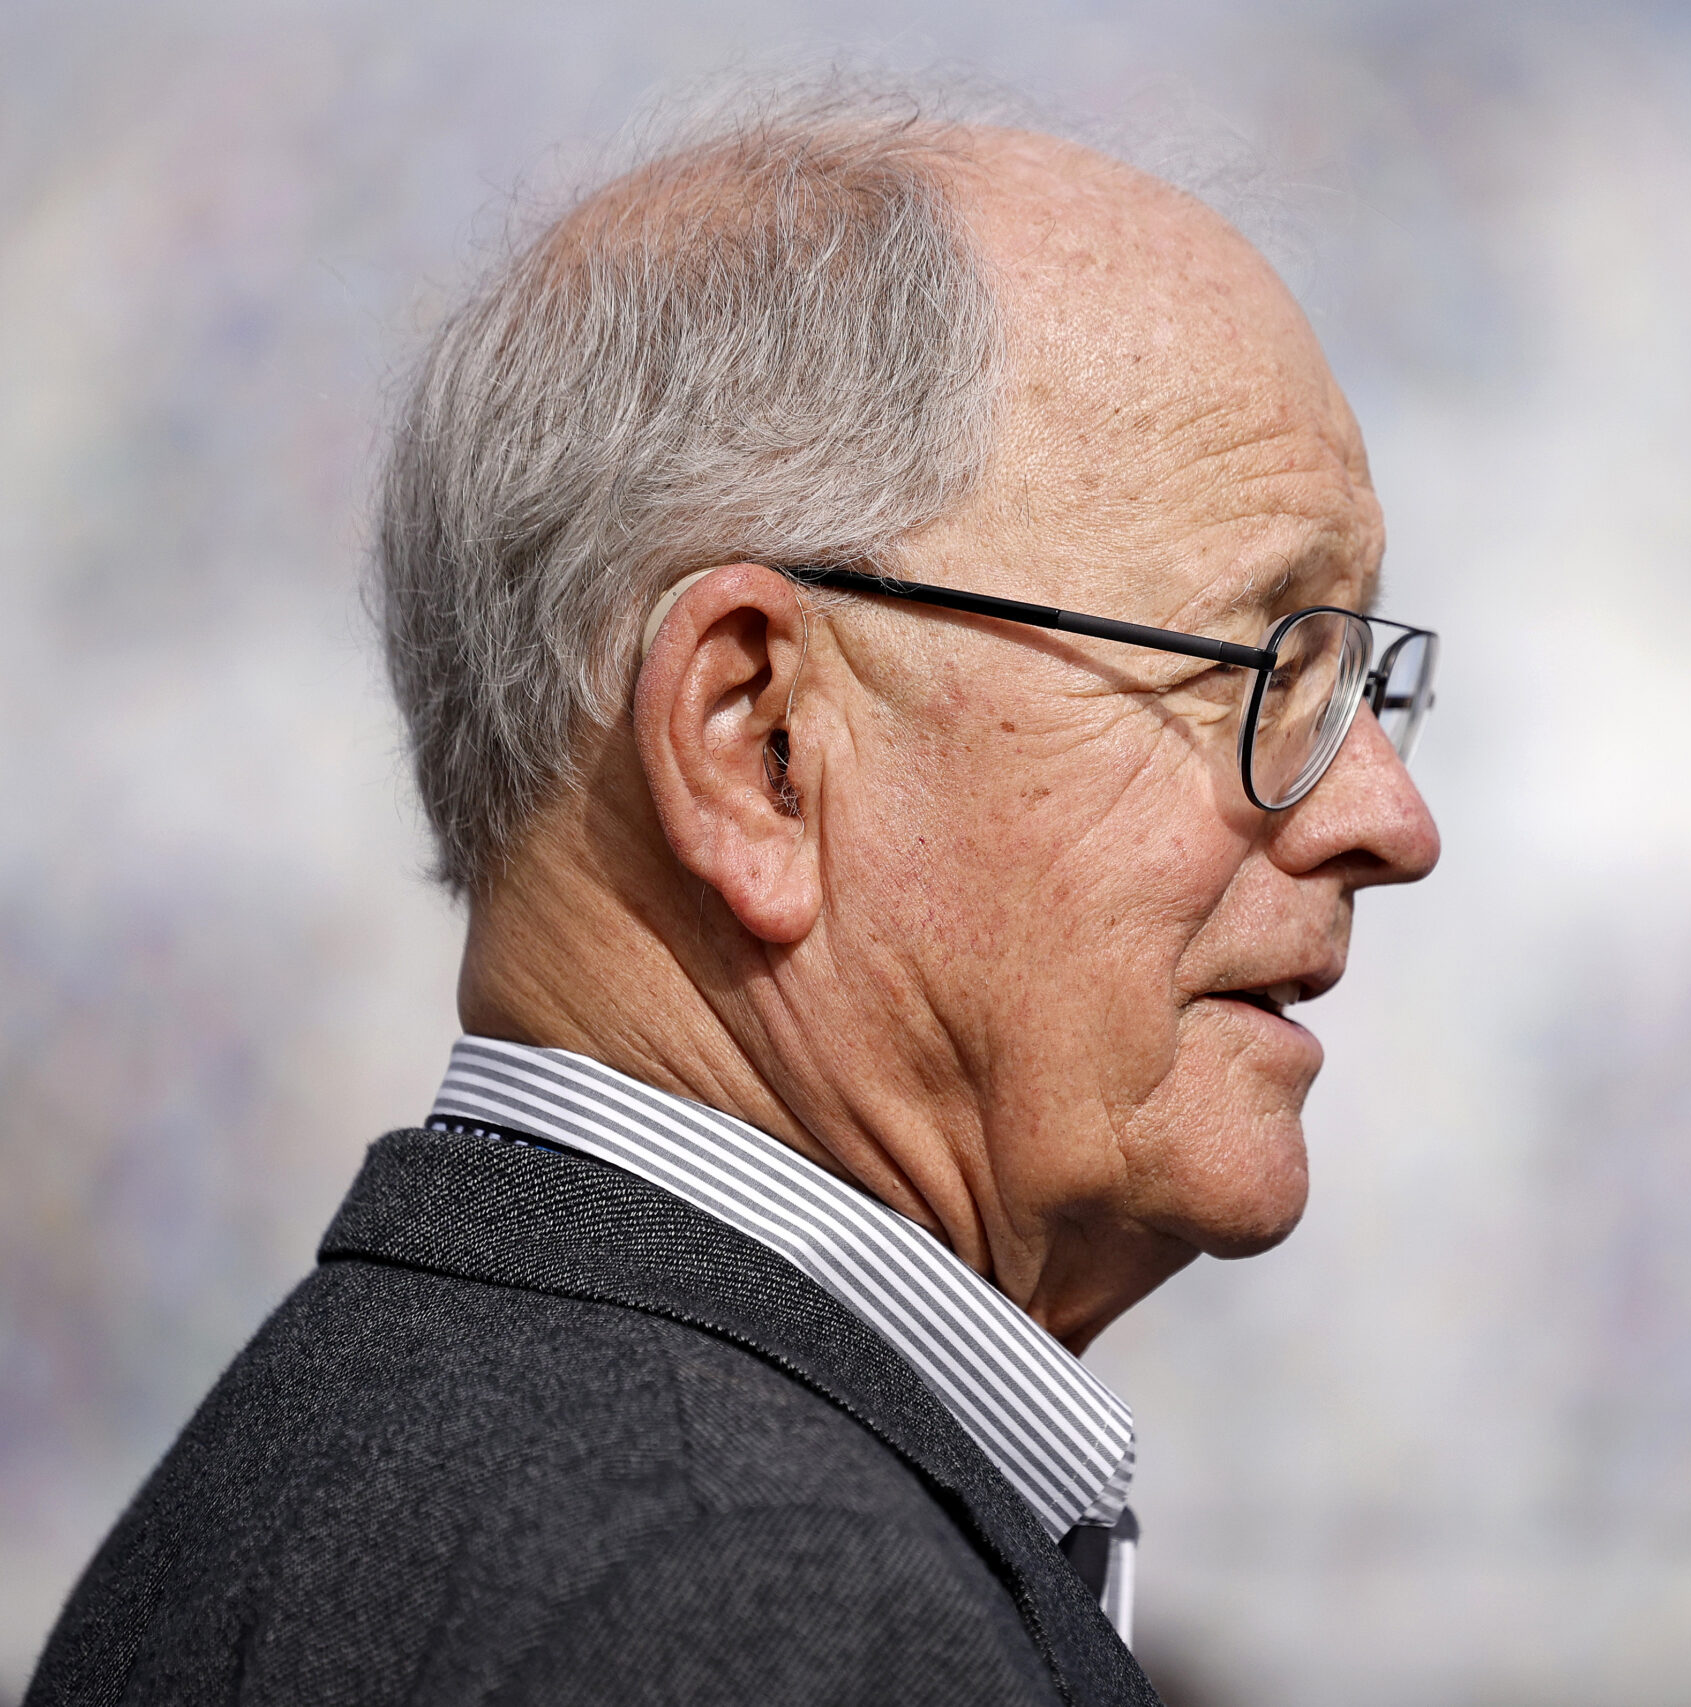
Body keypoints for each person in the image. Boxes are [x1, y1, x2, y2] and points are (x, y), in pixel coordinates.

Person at [29, 85, 1439, 1707]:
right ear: (759, 746)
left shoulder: (376, 1459)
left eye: (1363, 689)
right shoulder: (758, 1605)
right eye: (1261, 671)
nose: (1387, 818)